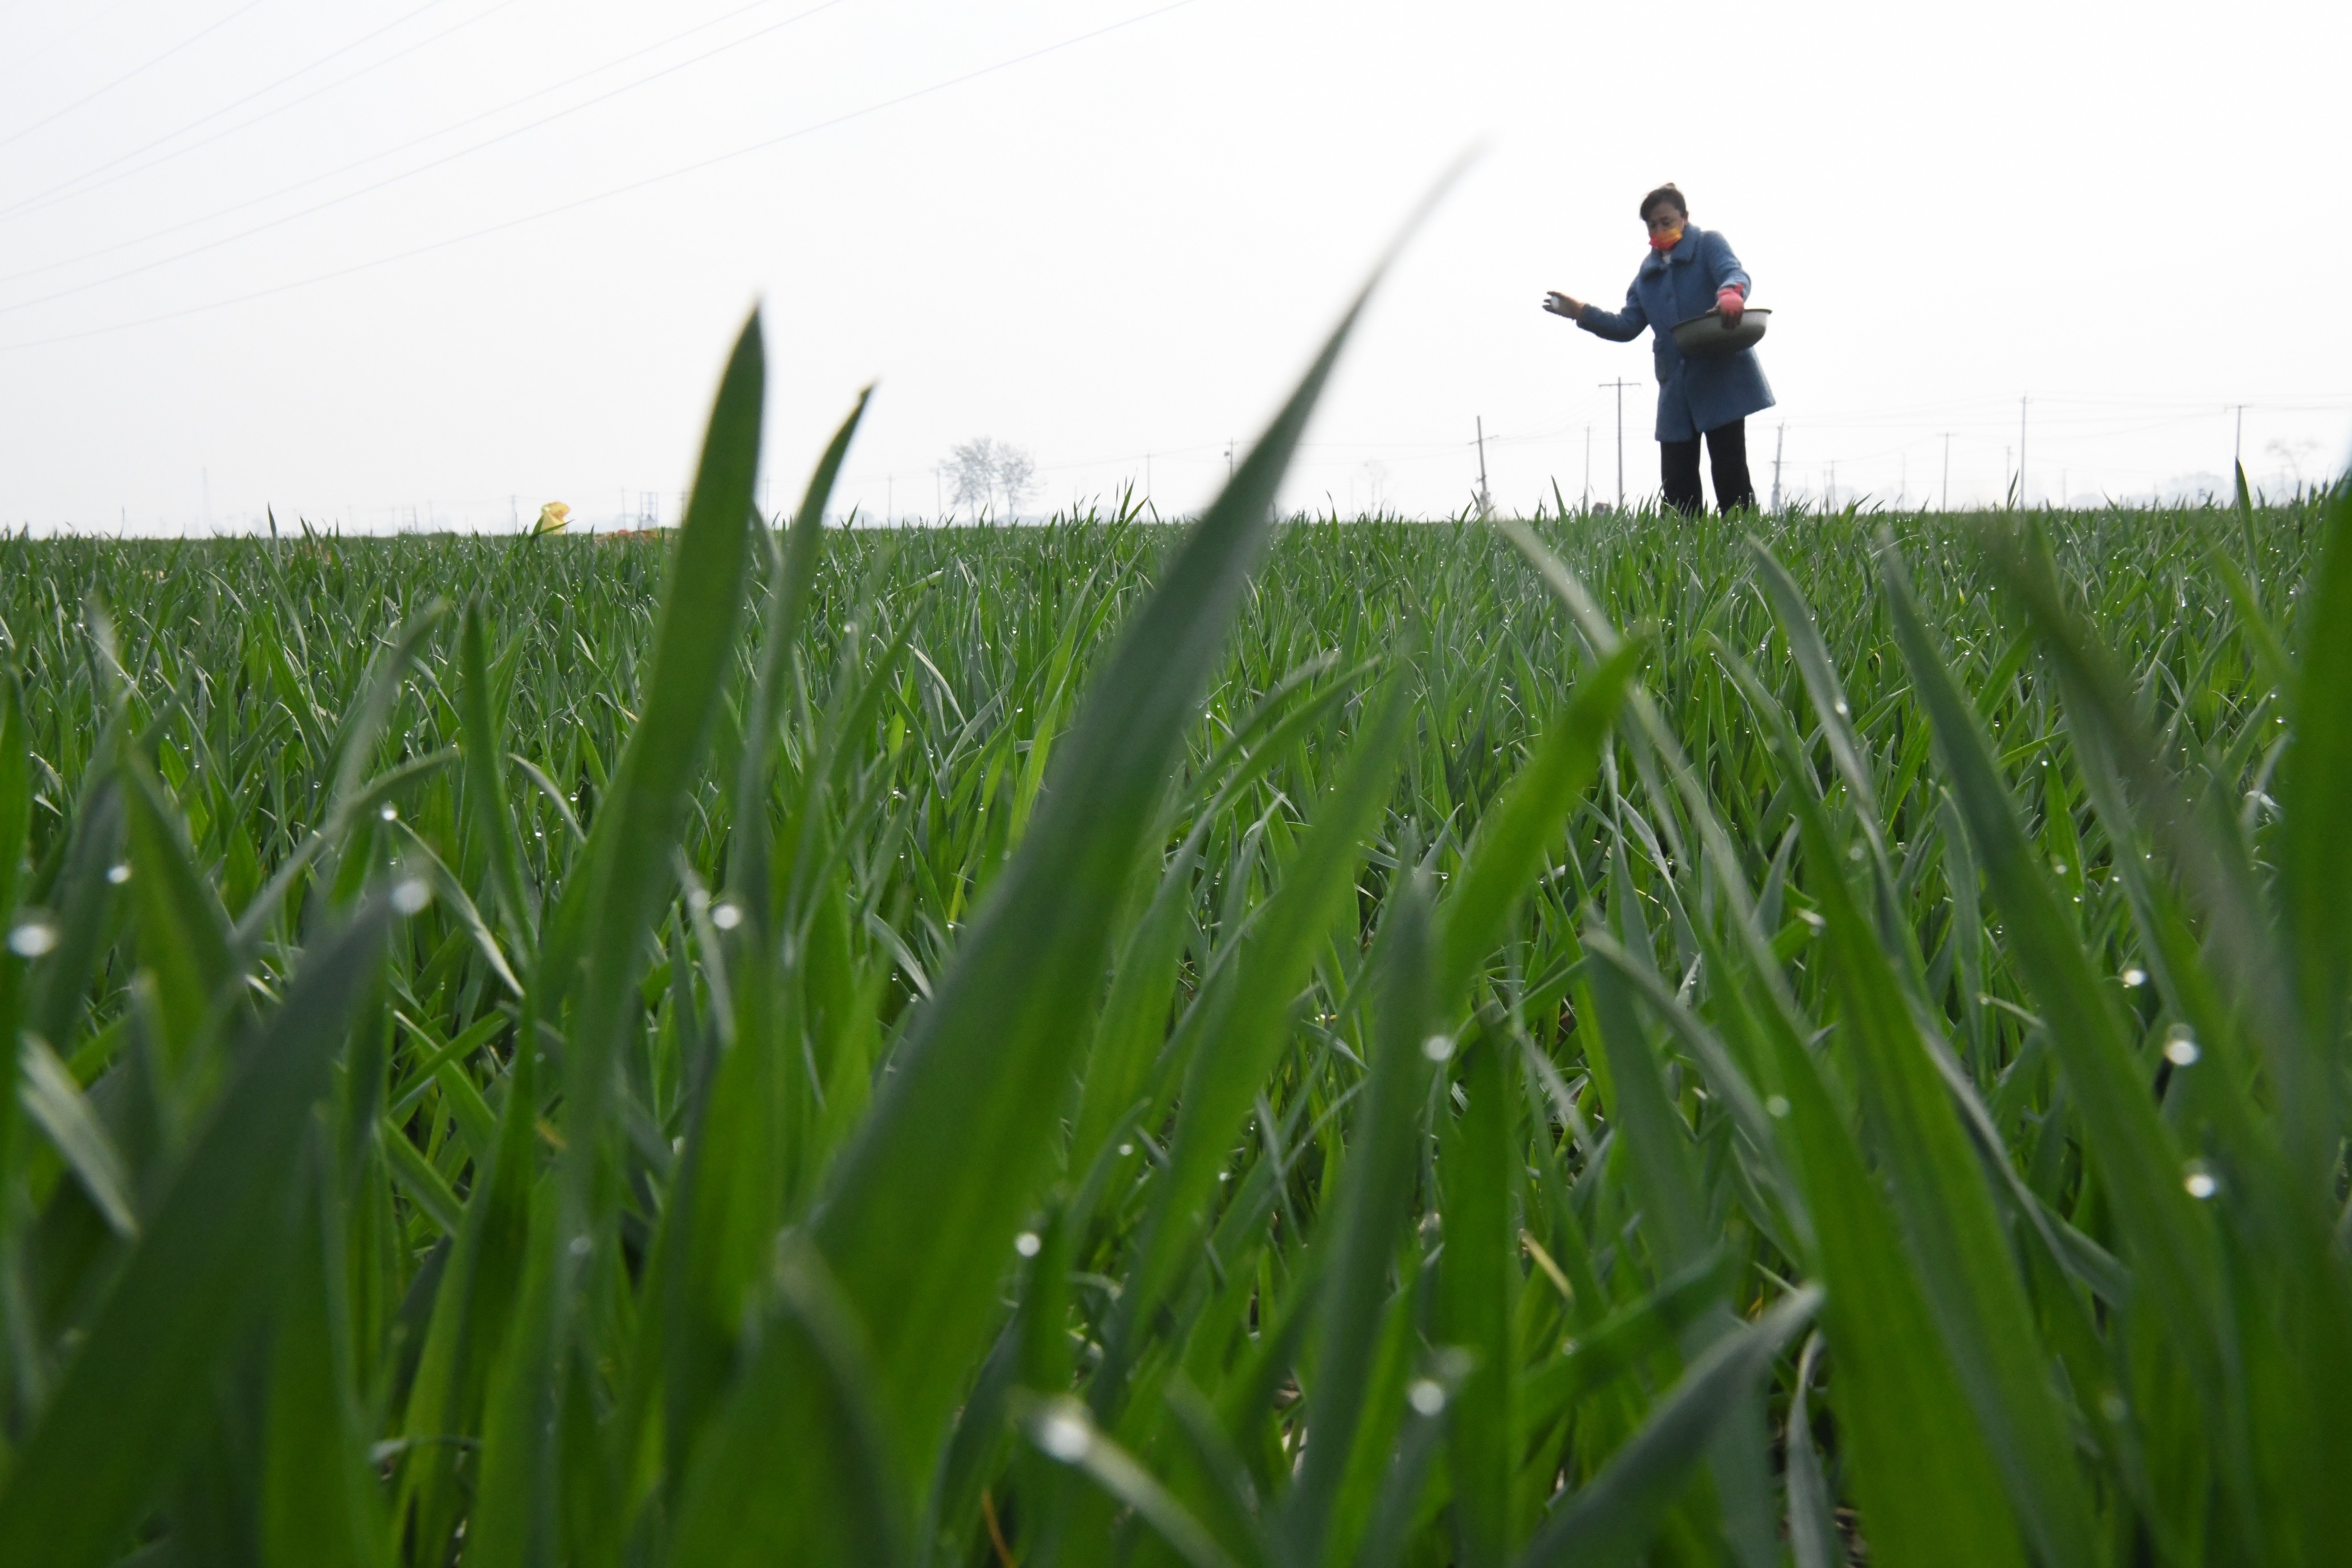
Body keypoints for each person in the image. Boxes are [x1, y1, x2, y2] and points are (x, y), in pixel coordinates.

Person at [1544, 183, 1773, 515]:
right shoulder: (1647, 276)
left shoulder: (1709, 244)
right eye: (1653, 225)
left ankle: (1745, 547)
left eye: (1667, 221)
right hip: (1676, 390)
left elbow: (1733, 273)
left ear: (1684, 217)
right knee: (1677, 485)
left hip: (1720, 377)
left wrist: (1730, 294)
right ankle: (1685, 555)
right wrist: (1581, 312)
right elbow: (1626, 326)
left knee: (1730, 472)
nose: (1660, 230)